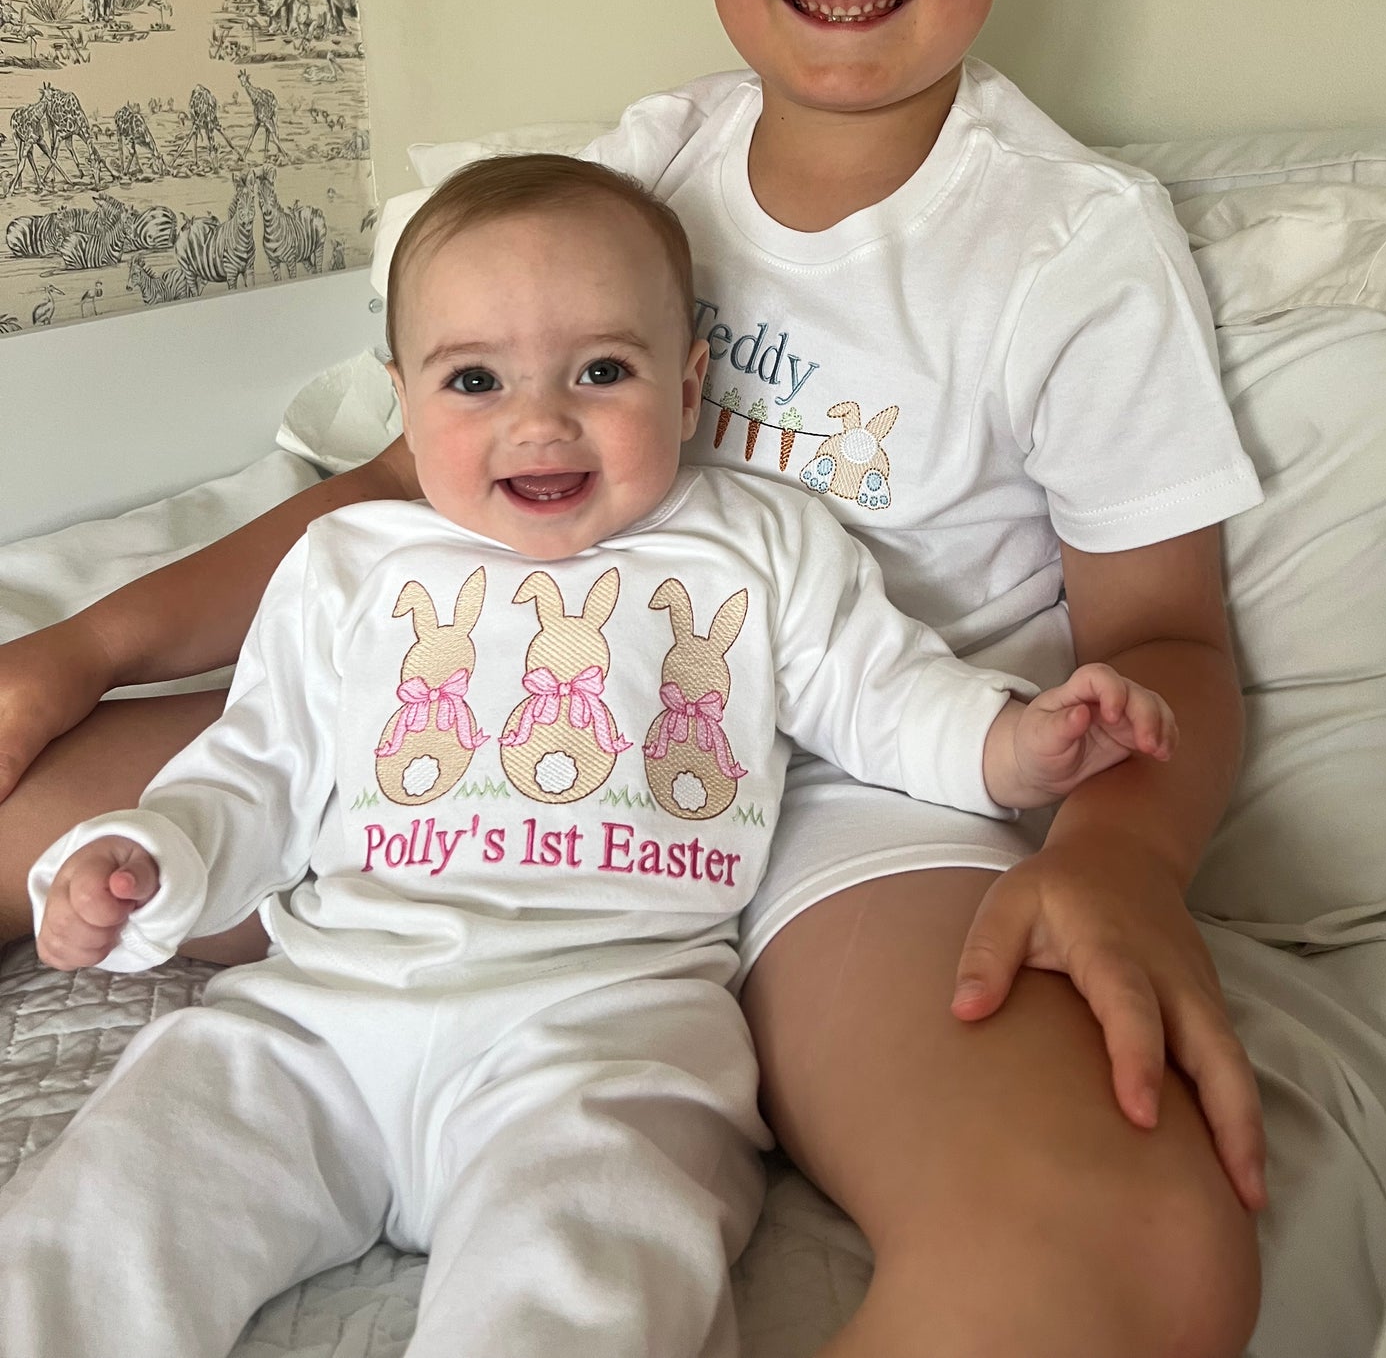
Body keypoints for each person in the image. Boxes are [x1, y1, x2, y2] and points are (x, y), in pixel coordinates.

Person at [0, 0, 1267, 1356]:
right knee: (42, 801)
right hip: (534, 692)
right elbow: (398, 486)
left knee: (1123, 1247)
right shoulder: (649, 168)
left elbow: (1170, 635)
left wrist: (1121, 854)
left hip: (861, 782)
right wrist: (70, 653)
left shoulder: (1067, 243)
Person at [0, 156, 1176, 1357]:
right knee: (105, 1204)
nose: (538, 421)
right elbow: (257, 765)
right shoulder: (351, 565)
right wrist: (155, 854)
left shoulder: (753, 545)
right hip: (324, 1017)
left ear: (686, 389)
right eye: (474, 380)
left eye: (601, 371)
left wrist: (1011, 744)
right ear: (402, 399)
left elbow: (881, 695)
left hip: (605, 1028)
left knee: (585, 1270)